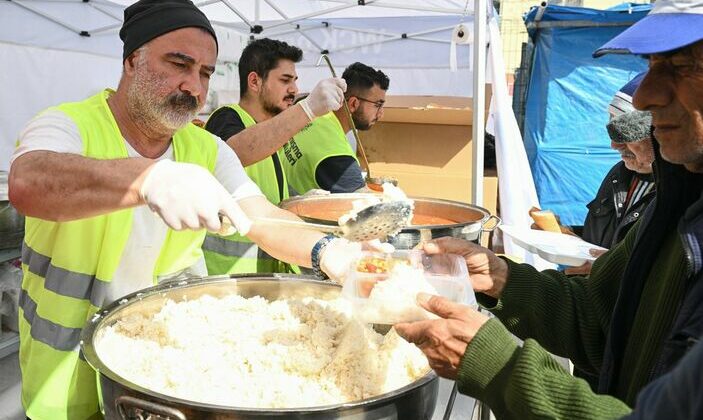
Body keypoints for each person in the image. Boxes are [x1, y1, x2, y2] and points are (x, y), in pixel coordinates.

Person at [7, 1, 360, 418]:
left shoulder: (205, 149)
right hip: (66, 383)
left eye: (205, 73)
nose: (193, 86)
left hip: (160, 371)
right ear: (132, 61)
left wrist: (331, 251)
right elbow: (27, 182)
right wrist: (148, 179)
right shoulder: (68, 124)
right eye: (179, 64)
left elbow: (261, 217)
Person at [394, 0, 703, 417]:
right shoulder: (679, 200)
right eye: (651, 64)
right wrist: (503, 278)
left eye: (683, 66)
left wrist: (501, 367)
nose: (645, 95)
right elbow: (598, 316)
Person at [203, 38, 347, 274]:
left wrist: (297, 202)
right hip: (229, 276)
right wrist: (308, 109)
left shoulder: (272, 132)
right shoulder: (226, 117)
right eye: (285, 80)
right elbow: (233, 153)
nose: (294, 90)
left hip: (266, 273)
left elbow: (264, 195)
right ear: (254, 81)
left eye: (295, 81)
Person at [532, 74, 656, 276]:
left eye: (626, 134)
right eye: (612, 132)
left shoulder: (681, 194)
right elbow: (604, 242)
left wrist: (610, 270)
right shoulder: (620, 175)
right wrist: (565, 237)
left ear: (656, 133)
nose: (614, 145)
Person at [282, 62, 390, 194]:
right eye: (377, 105)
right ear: (353, 104)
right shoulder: (337, 156)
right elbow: (368, 208)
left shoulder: (308, 112)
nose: (381, 113)